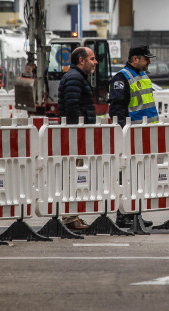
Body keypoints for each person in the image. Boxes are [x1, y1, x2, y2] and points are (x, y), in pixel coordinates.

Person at [108, 45, 159, 229]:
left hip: (143, 136)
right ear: (135, 59)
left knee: (139, 179)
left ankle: (135, 213)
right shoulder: (122, 78)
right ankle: (123, 215)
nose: (149, 62)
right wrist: (123, 134)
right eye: (146, 59)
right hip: (131, 136)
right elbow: (116, 109)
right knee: (127, 178)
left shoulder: (143, 76)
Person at [57, 46, 98, 231]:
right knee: (71, 175)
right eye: (92, 58)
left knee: (73, 175)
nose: (95, 62)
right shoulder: (74, 78)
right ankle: (69, 218)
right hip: (74, 135)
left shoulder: (76, 77)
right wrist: (78, 133)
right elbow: (72, 107)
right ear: (81, 60)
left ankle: (72, 216)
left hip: (76, 134)